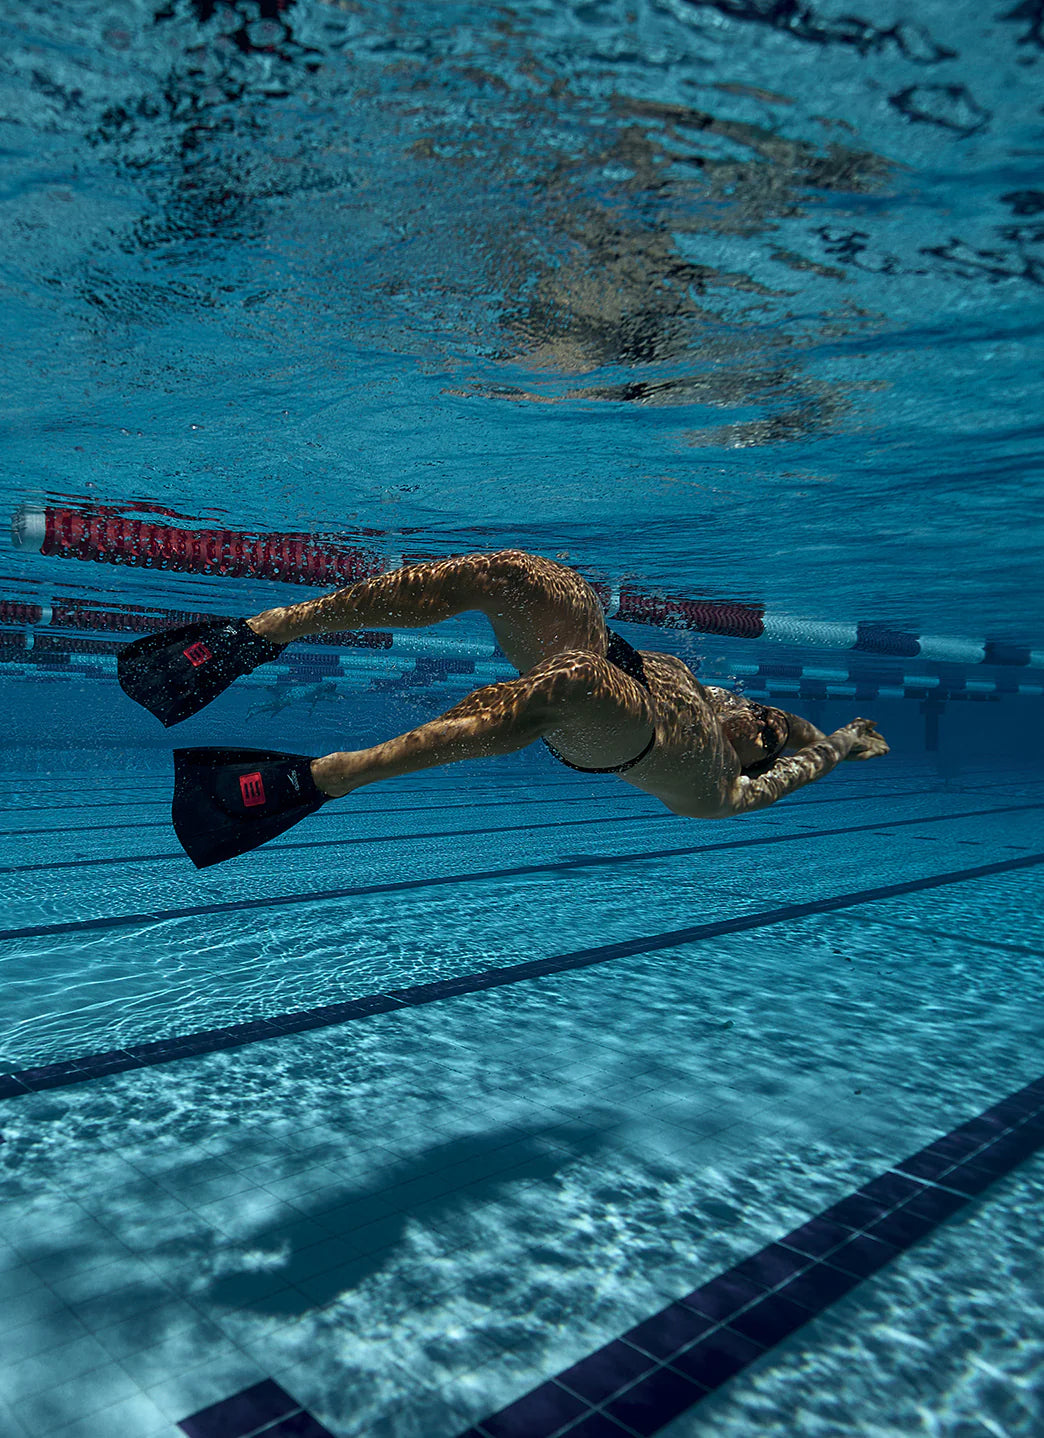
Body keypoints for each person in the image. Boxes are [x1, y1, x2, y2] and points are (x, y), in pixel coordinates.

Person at [117, 550, 888, 867]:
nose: (756, 716)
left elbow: (797, 765)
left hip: (619, 732)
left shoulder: (718, 788)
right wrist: (820, 730)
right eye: (762, 713)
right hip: (611, 660)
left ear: (750, 756)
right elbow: (794, 732)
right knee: (519, 576)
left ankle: (329, 776)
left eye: (761, 732)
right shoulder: (719, 700)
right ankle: (256, 635)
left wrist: (842, 747)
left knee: (577, 679)